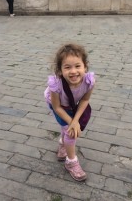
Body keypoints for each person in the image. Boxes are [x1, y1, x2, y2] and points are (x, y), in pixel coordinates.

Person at [44, 43, 95, 181]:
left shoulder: (89, 81)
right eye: (67, 67)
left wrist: (75, 121)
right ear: (60, 70)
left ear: (85, 66)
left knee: (70, 127)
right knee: (71, 132)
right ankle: (71, 162)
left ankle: (63, 146)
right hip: (58, 105)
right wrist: (72, 123)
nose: (73, 71)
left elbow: (84, 100)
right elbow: (57, 108)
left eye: (78, 66)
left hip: (72, 105)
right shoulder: (55, 84)